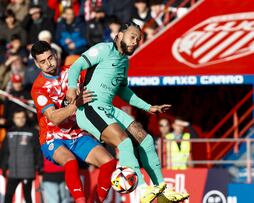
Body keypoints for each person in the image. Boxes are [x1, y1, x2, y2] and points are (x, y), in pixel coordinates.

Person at [66, 22, 189, 202]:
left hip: (108, 108)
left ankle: (162, 192)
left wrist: (148, 107)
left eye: (138, 40)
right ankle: (140, 190)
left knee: (145, 140)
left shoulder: (124, 61)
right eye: (132, 37)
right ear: (120, 35)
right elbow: (76, 67)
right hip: (90, 108)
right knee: (124, 143)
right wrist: (71, 87)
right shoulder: (103, 49)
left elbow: (123, 90)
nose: (135, 42)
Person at [30, 41, 117, 202]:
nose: (48, 63)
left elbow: (99, 73)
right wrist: (77, 104)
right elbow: (54, 118)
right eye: (42, 61)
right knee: (70, 162)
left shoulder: (73, 72)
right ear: (36, 64)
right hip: (52, 137)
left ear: (55, 55)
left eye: (50, 58)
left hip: (77, 134)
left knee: (109, 162)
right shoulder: (38, 88)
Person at [0, 110, 42, 203]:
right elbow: (5, 151)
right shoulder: (9, 132)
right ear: (14, 119)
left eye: (23, 117)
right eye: (18, 118)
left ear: (26, 118)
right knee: (8, 195)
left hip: (27, 171)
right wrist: (3, 167)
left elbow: (38, 150)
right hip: (13, 172)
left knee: (27, 197)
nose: (21, 120)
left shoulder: (32, 132)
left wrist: (39, 166)